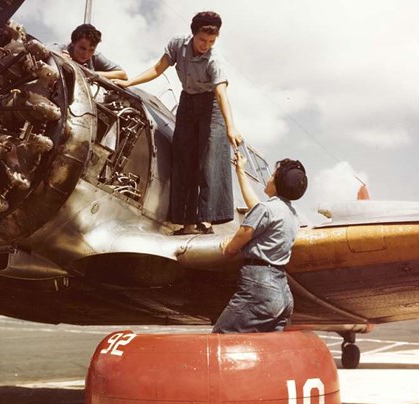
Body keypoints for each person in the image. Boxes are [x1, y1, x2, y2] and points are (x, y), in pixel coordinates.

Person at [114, 11, 242, 235]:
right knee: (184, 158)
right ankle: (187, 224)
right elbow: (157, 69)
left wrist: (231, 127)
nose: (206, 45)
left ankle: (207, 222)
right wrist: (130, 82)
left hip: (211, 105)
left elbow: (221, 94)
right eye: (202, 40)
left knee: (209, 159)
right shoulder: (177, 45)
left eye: (211, 41)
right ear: (193, 34)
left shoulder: (214, 59)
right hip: (188, 101)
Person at [212, 153, 308, 333]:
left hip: (258, 289)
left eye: (272, 176)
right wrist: (240, 170)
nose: (268, 179)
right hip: (282, 294)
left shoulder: (266, 210)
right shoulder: (291, 215)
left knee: (221, 337)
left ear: (278, 183)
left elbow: (232, 248)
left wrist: (227, 249)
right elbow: (257, 208)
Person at [56, 24, 127, 80]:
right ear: (73, 43)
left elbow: (123, 74)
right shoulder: (59, 49)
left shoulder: (95, 56)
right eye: (82, 48)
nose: (86, 54)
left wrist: (92, 74)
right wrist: (59, 60)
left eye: (91, 50)